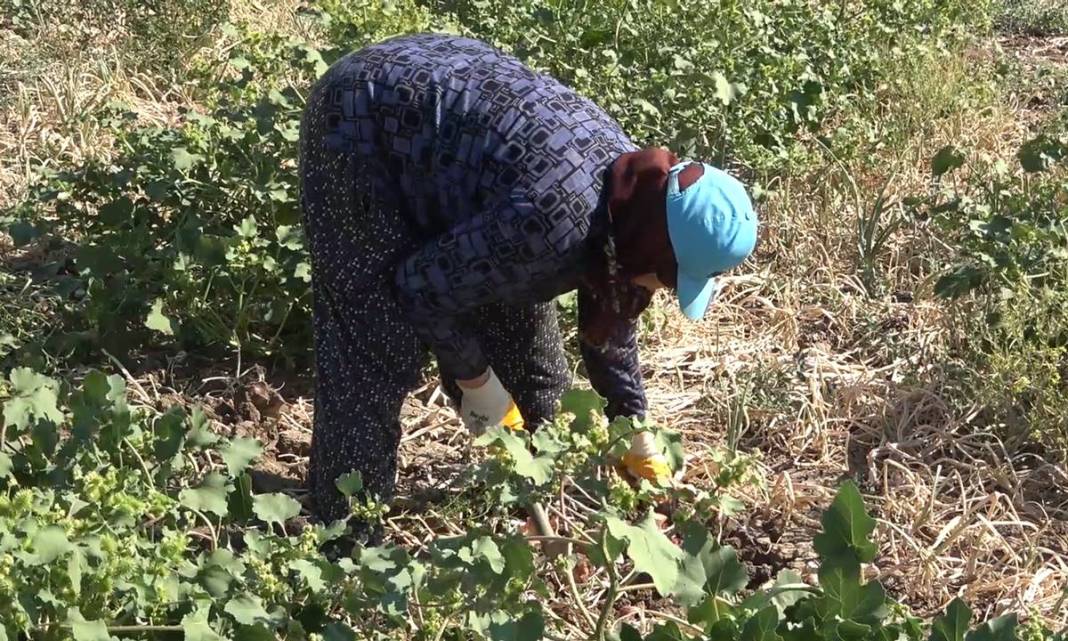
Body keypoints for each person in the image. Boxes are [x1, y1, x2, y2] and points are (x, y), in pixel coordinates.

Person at [298, 33, 758, 526]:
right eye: (669, 274)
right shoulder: (554, 221)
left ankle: (550, 499)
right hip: (362, 119)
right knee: (375, 340)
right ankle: (342, 539)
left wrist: (632, 423)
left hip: (457, 140)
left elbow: (614, 308)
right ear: (654, 245)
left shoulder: (632, 192)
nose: (664, 289)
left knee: (531, 356)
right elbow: (420, 287)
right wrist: (477, 384)